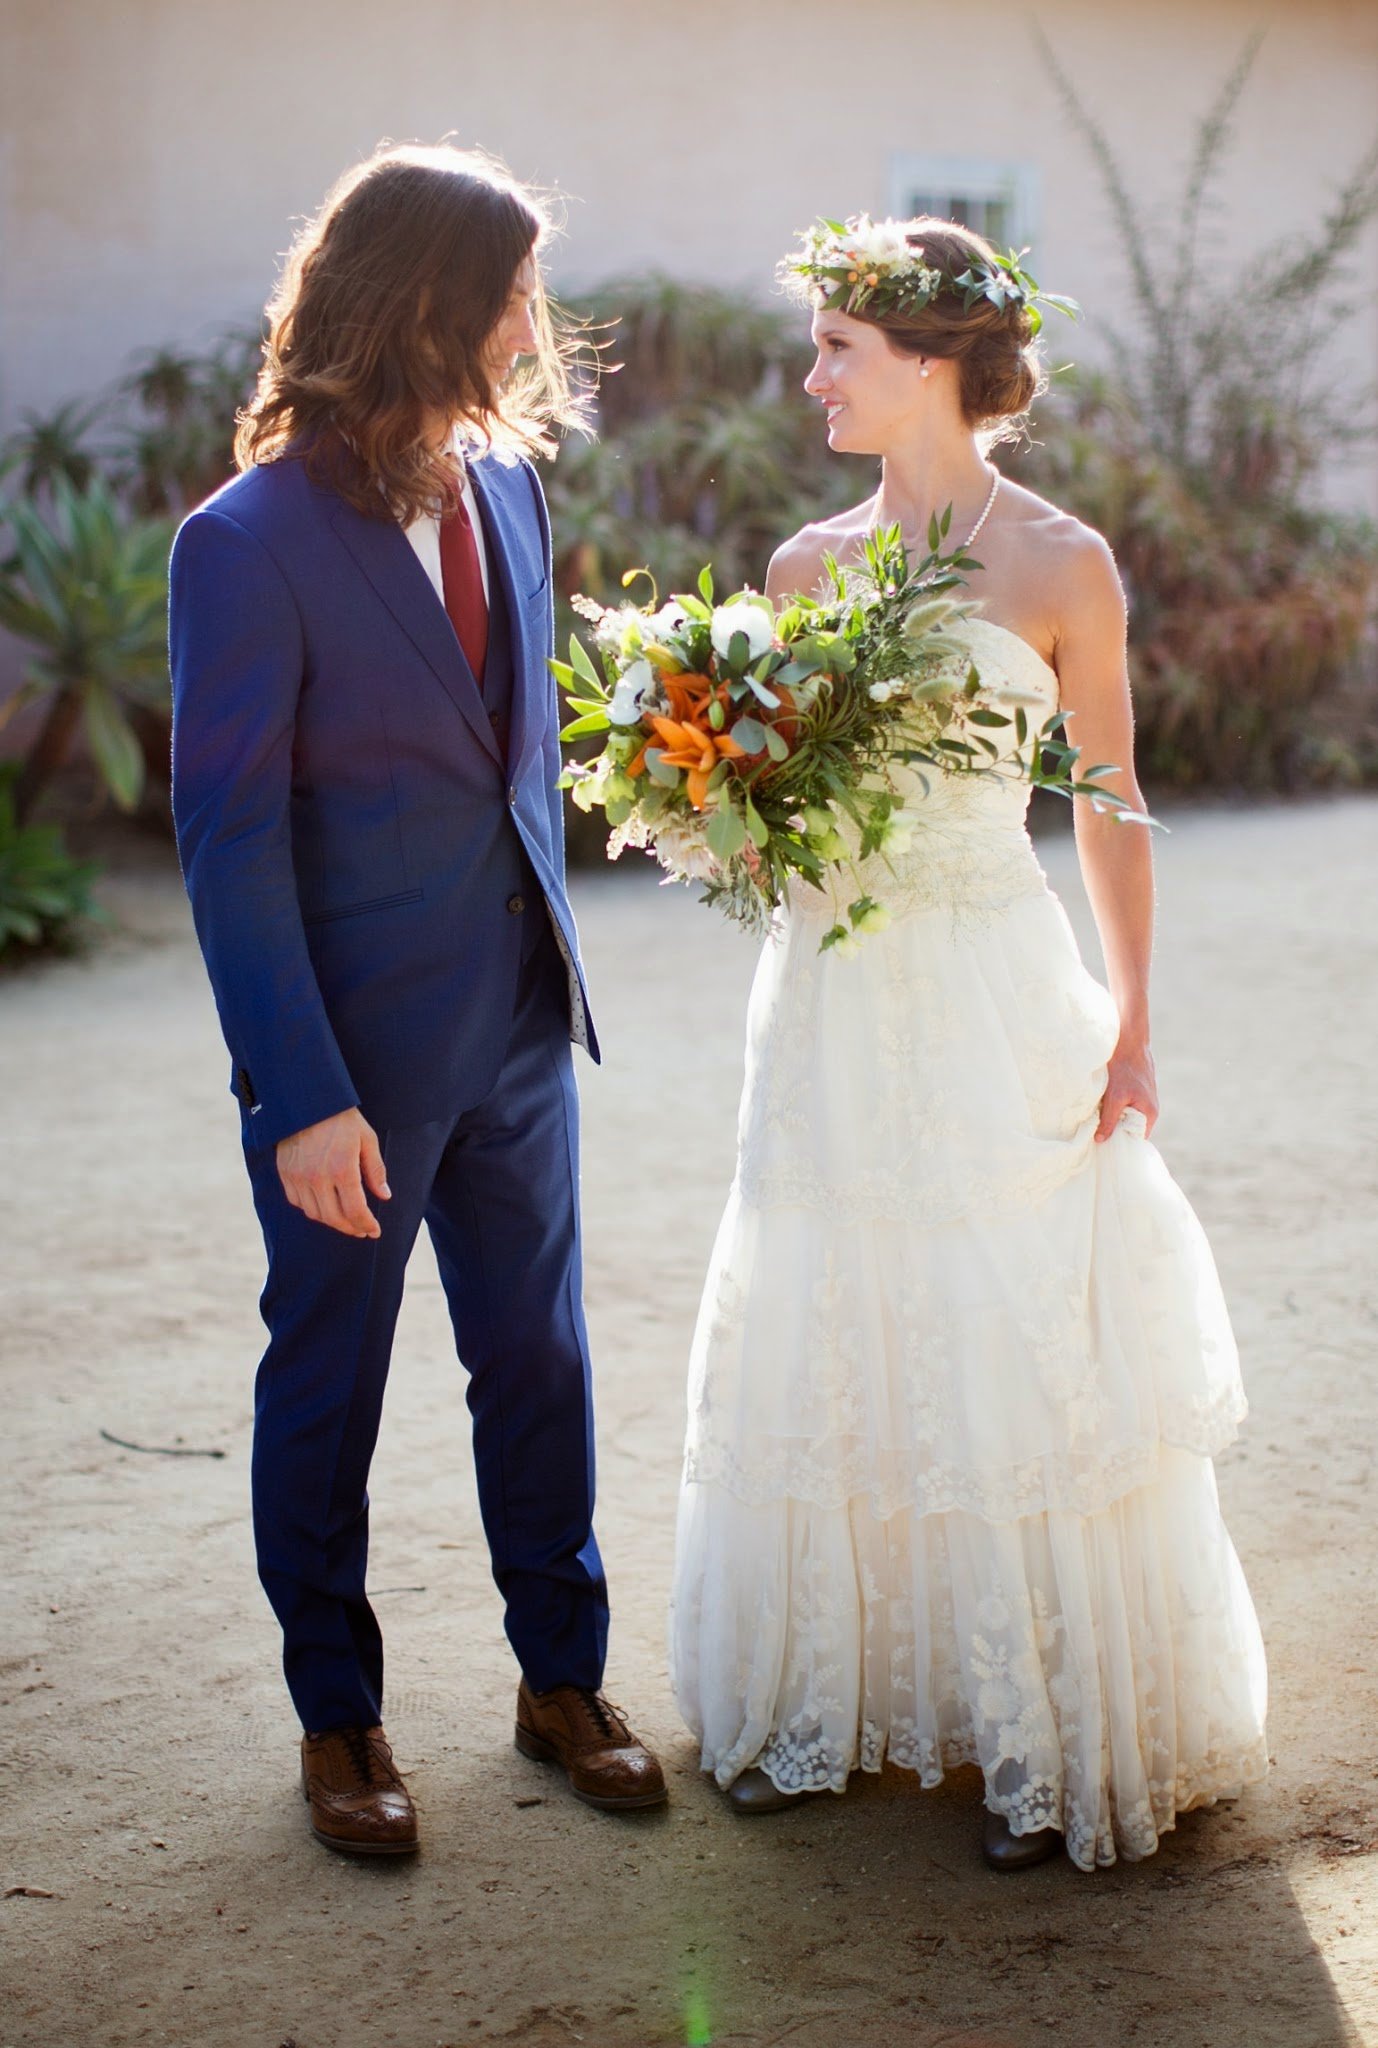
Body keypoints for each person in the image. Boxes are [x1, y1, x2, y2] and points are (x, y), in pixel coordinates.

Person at [668, 216, 1267, 1872]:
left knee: (1002, 1327)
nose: (811, 380)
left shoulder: (1062, 562)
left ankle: (1044, 1729)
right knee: (830, 1307)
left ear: (927, 365)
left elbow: (1109, 803)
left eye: (835, 352)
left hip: (994, 980)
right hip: (831, 992)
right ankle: (823, 1700)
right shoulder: (798, 571)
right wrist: (712, 811)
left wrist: (1134, 1023)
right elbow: (779, 804)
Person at [169, 143, 665, 1858]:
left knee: (539, 1362)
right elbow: (228, 842)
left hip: (524, 1028)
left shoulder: (513, 489)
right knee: (333, 1383)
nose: (535, 319)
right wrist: (299, 1091)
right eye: (512, 288)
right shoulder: (244, 543)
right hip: (352, 1068)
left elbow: (502, 751)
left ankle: (560, 1680)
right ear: (431, 302)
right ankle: (340, 1718)